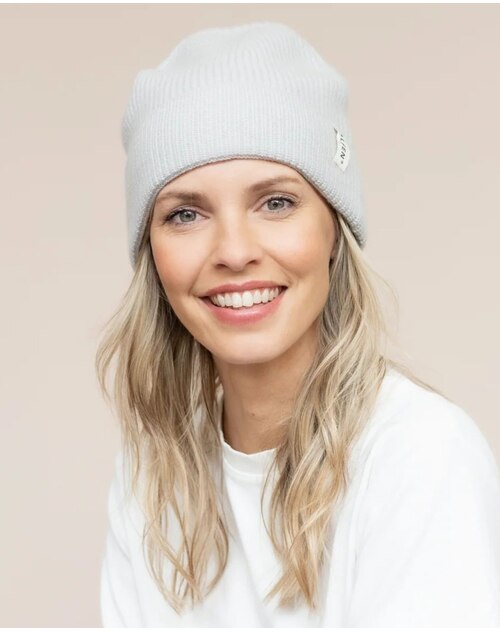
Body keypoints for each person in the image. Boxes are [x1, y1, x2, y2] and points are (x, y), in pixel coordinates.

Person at [96, 21, 500, 627]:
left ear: (334, 227)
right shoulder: (152, 476)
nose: (234, 251)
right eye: (185, 214)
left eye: (276, 203)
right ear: (151, 251)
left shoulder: (420, 457)